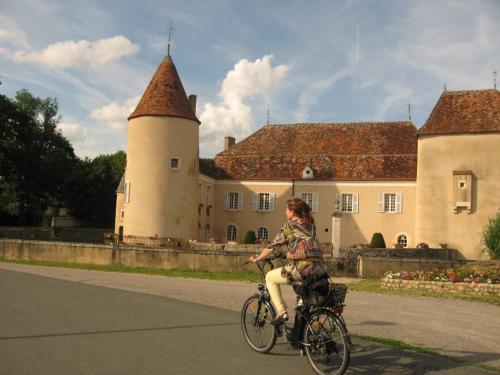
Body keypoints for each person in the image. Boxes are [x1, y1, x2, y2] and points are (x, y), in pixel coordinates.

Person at [249, 197, 327, 324]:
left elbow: (272, 247)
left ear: (292, 211)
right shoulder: (311, 226)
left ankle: (281, 312)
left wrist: (257, 259)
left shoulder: (289, 227)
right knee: (302, 298)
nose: (285, 212)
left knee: (269, 277)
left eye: (286, 209)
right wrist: (289, 253)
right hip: (318, 269)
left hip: (301, 270)